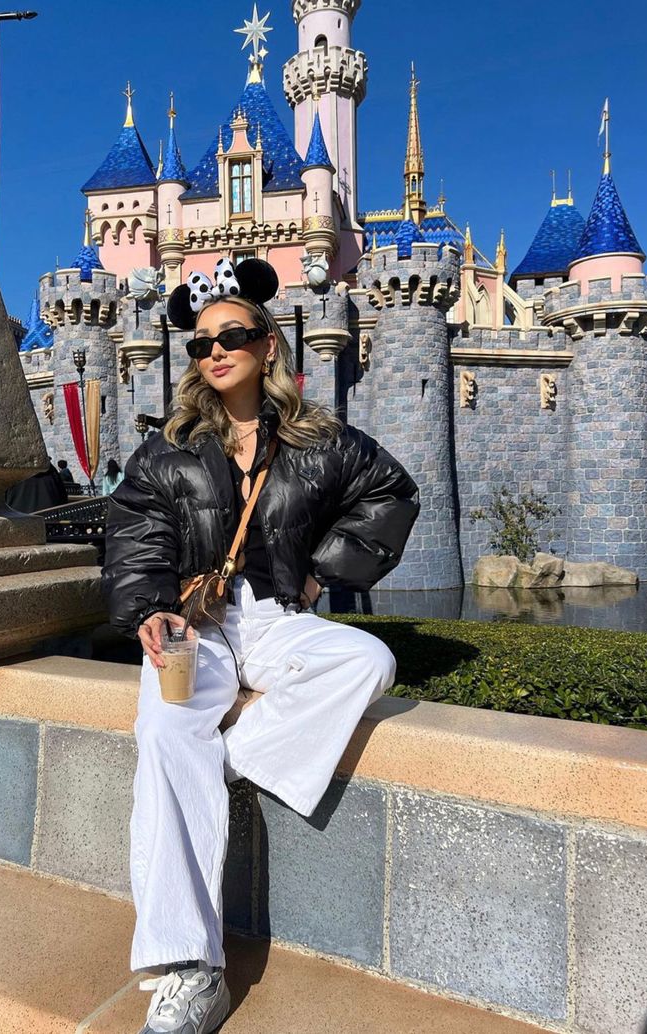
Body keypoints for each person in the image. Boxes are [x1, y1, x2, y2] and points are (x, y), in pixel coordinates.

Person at [101, 258, 420, 1034]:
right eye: (203, 341)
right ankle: (188, 967)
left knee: (369, 662)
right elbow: (135, 530)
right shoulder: (168, 448)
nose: (216, 351)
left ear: (268, 344)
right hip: (193, 620)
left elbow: (392, 496)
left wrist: (318, 576)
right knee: (166, 726)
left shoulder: (320, 440)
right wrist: (148, 607)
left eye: (234, 335)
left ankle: (224, 760)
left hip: (277, 615)